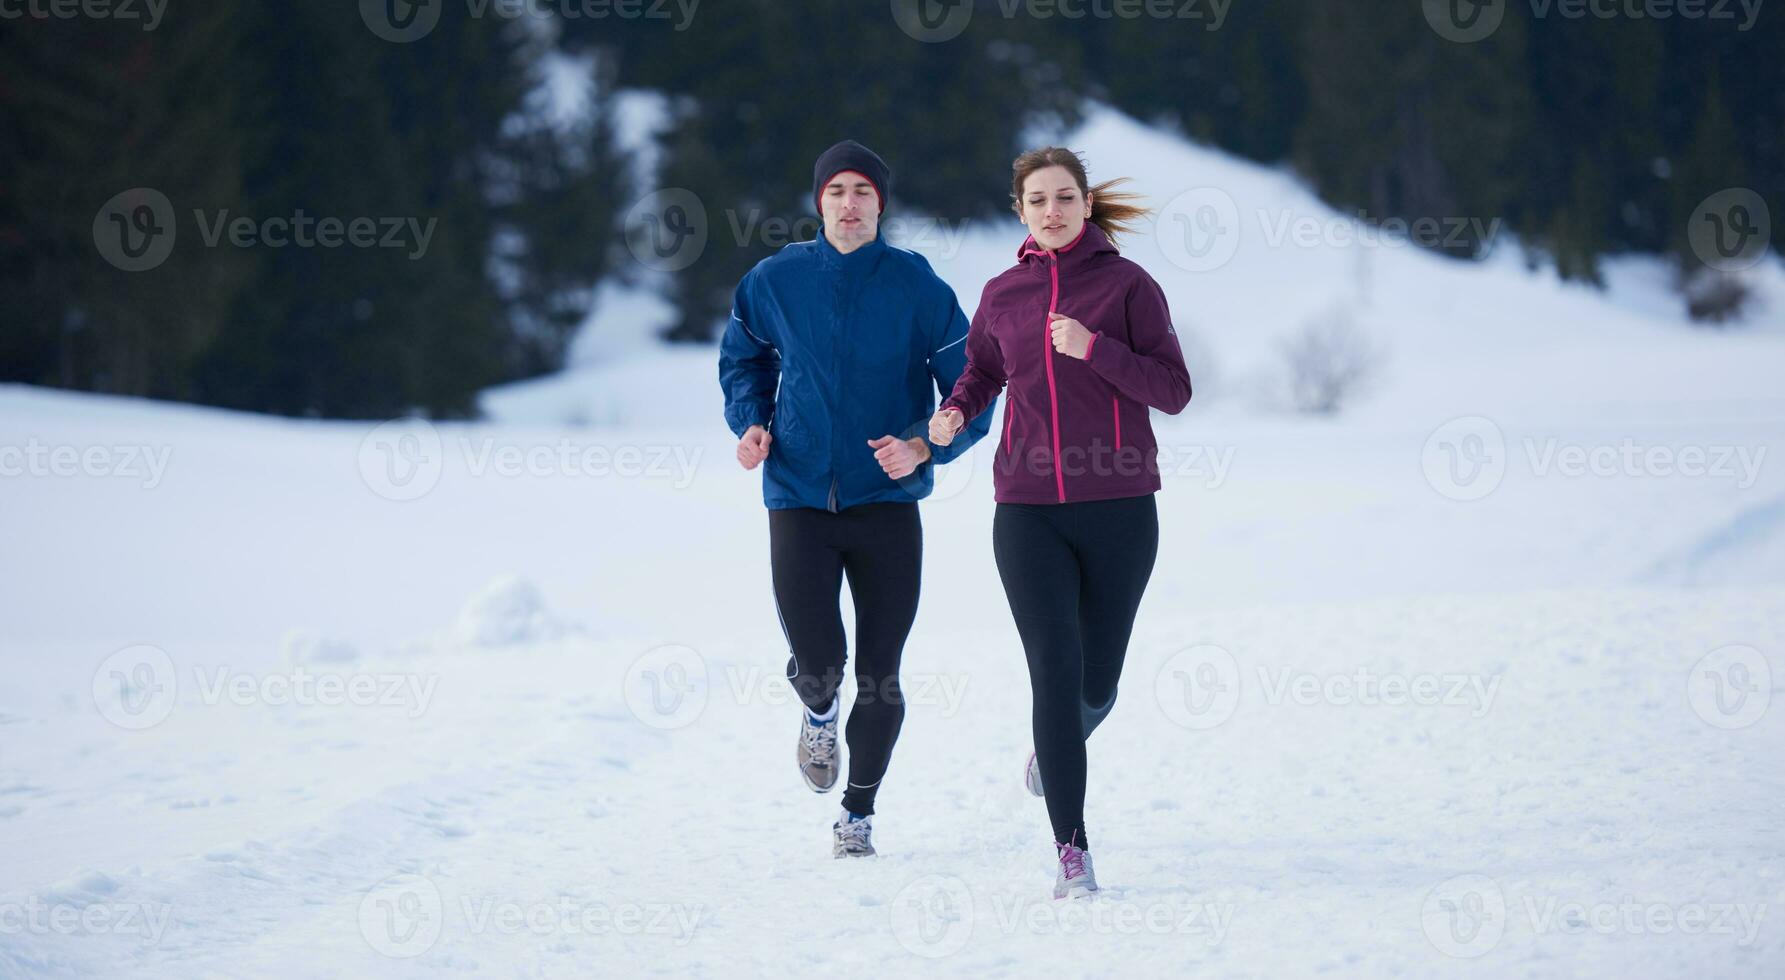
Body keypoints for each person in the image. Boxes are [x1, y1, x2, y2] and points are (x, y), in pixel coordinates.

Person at [929, 147, 1191, 897]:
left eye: (1064, 198)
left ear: (1085, 205)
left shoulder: (1127, 286)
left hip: (1119, 507)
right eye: (1037, 199)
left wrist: (1094, 347)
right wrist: (953, 410)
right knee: (1053, 672)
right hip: (1026, 510)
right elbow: (982, 371)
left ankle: (1061, 741)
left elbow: (1173, 390)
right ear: (1019, 210)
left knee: (1096, 685)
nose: (1051, 211)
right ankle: (1071, 852)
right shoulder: (1002, 292)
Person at [720, 139, 993, 858]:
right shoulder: (775, 280)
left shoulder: (917, 286)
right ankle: (816, 712)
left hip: (886, 502)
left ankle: (859, 814)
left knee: (879, 672)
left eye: (863, 191)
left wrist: (924, 444)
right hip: (799, 495)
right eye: (836, 190)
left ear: (881, 203)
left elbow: (970, 391)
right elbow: (741, 357)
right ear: (819, 201)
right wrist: (749, 422)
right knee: (820, 663)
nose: (849, 203)